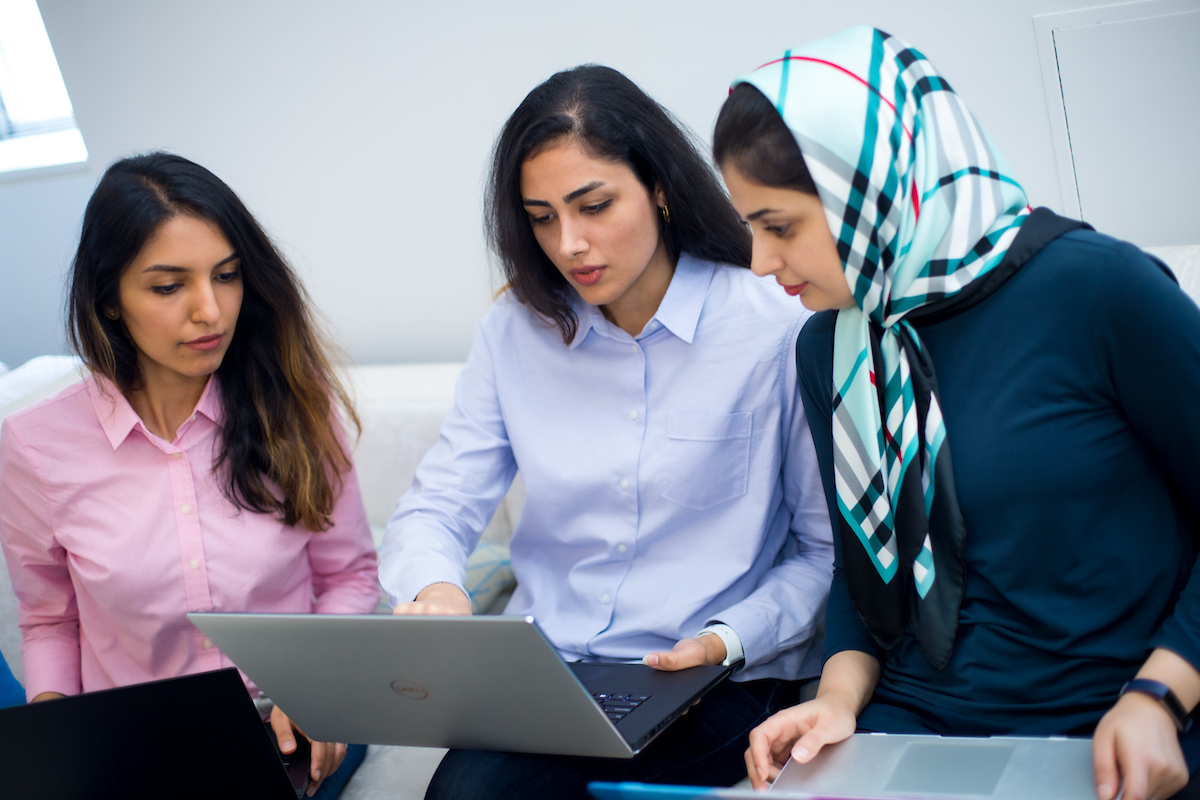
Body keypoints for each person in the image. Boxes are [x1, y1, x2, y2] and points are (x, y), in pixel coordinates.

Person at [712, 25, 1200, 800]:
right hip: (911, 726)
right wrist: (834, 705)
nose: (760, 262)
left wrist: (1159, 696)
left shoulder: (1102, 292)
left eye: (781, 227)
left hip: (1110, 729)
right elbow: (862, 567)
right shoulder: (830, 348)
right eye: (750, 228)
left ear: (872, 191)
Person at [379, 65, 834, 798]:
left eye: (594, 206)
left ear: (657, 185)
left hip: (719, 680)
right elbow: (436, 507)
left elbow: (824, 554)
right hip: (555, 681)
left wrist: (726, 639)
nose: (570, 244)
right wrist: (440, 593)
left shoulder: (773, 325)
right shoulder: (514, 332)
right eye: (542, 217)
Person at [0, 153, 379, 798]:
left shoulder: (294, 400)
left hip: (290, 721)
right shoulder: (33, 446)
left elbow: (349, 576)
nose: (211, 310)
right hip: (136, 737)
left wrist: (317, 687)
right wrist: (58, 731)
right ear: (109, 300)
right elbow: (49, 620)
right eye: (169, 286)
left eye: (226, 276)